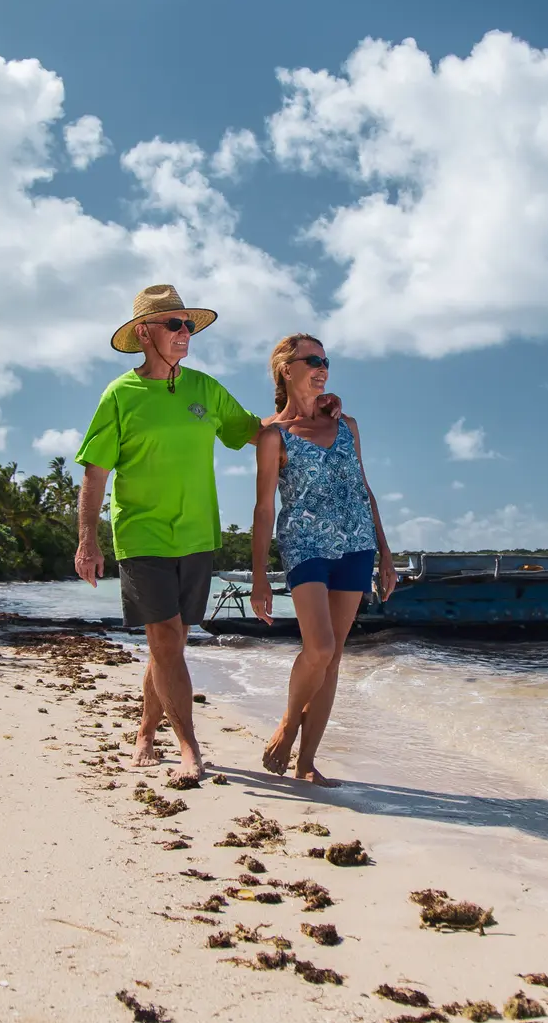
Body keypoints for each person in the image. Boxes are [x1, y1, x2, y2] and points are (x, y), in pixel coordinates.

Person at [74, 286, 339, 780]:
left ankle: (145, 730)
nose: (184, 334)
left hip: (197, 534)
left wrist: (307, 411)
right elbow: (95, 472)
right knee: (167, 640)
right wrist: (88, 540)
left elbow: (253, 430)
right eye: (174, 325)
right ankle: (189, 748)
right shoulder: (120, 395)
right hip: (142, 534)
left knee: (170, 641)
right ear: (143, 333)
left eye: (188, 325)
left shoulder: (204, 389)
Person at [250, 333, 396, 786]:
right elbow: (264, 508)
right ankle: (288, 724)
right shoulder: (272, 435)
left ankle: (306, 762)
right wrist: (258, 577)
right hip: (305, 545)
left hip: (356, 545)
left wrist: (386, 554)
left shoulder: (348, 425)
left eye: (325, 360)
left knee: (333, 659)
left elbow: (364, 489)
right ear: (285, 369)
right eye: (311, 359)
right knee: (321, 648)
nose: (321, 367)